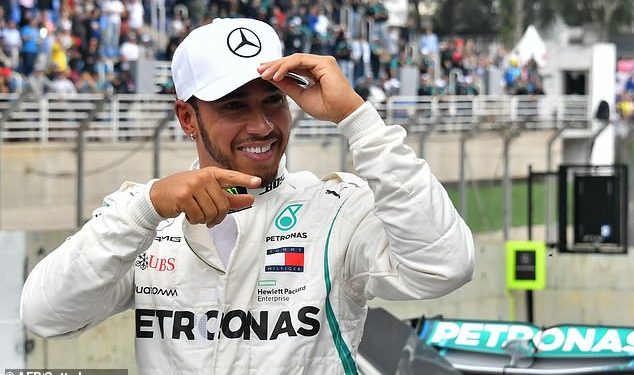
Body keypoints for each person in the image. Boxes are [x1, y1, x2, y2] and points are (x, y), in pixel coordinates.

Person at [20, 18, 474, 374]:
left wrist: (358, 119)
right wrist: (145, 209)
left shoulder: (336, 210)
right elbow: (46, 315)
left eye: (273, 100)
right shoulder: (146, 218)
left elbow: (445, 266)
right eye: (234, 106)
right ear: (187, 118)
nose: (261, 126)